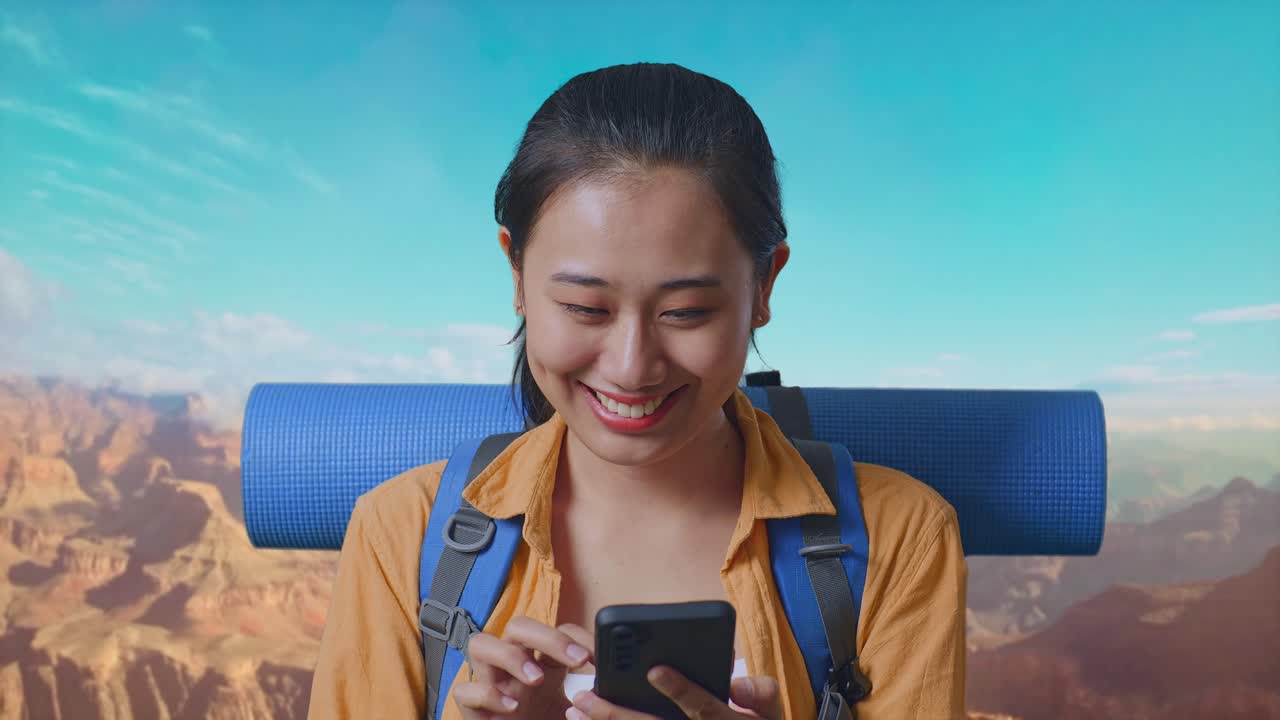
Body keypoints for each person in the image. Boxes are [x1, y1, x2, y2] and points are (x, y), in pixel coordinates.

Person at [308, 62, 967, 720]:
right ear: (517, 275)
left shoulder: (900, 538)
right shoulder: (400, 535)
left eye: (684, 313)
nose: (631, 367)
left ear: (764, 287)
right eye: (585, 309)